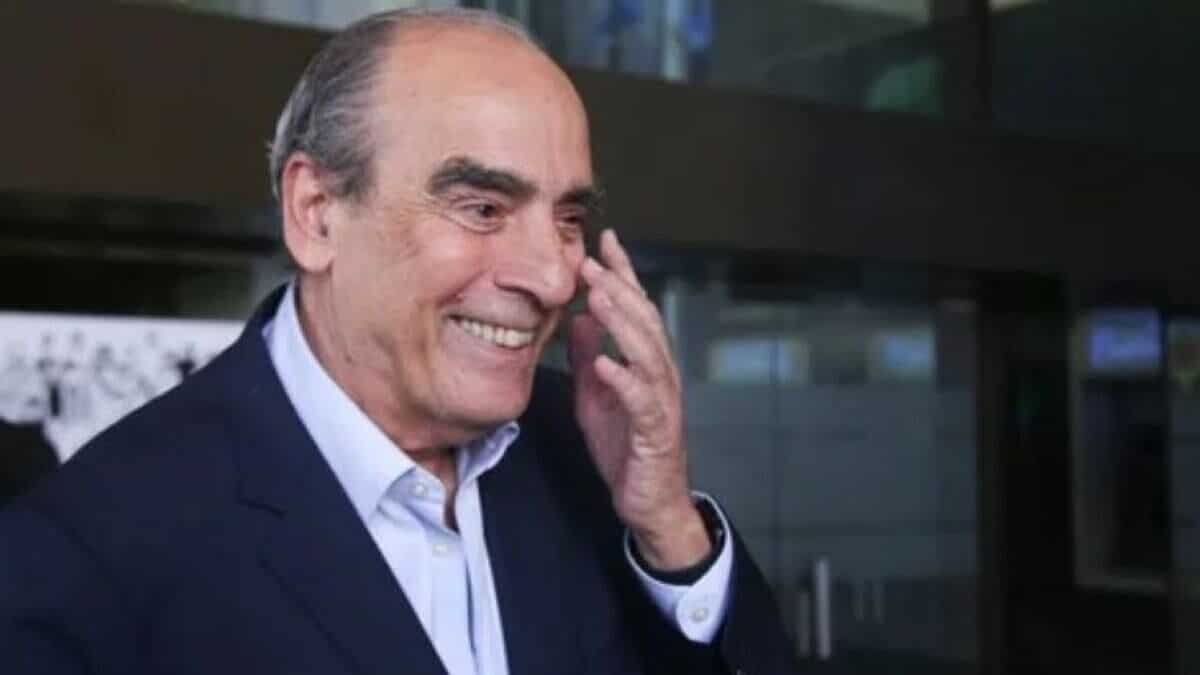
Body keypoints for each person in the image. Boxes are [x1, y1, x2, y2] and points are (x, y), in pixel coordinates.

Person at [0, 8, 797, 675]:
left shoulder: (589, 450)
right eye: (483, 208)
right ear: (316, 213)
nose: (555, 277)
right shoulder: (85, 555)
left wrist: (667, 527)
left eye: (568, 219)